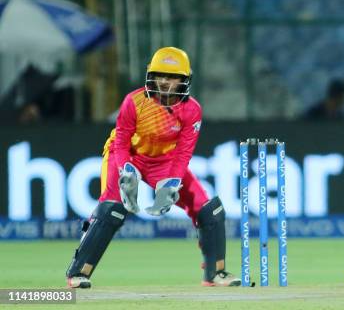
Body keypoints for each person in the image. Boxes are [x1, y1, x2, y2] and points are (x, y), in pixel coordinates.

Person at [66, 47, 239, 288]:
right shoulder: (134, 101)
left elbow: (182, 153)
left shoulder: (192, 110)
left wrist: (171, 183)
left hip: (164, 161)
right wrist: (127, 170)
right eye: (161, 75)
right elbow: (122, 141)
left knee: (208, 209)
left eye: (172, 77)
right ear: (151, 75)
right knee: (112, 208)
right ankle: (78, 273)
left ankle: (215, 273)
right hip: (127, 155)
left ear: (184, 80)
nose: (165, 82)